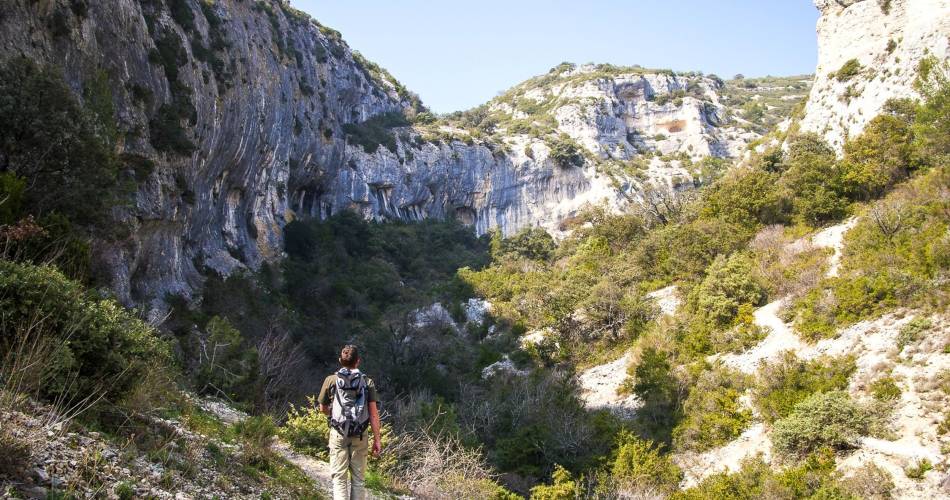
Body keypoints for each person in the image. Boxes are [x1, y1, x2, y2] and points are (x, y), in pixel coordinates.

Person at [318, 344, 381, 500]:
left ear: (340, 360)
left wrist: (334, 414)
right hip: (360, 435)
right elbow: (373, 415)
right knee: (358, 481)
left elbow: (322, 408)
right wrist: (377, 440)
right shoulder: (367, 382)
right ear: (358, 361)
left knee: (339, 479)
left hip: (338, 433)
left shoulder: (331, 380)